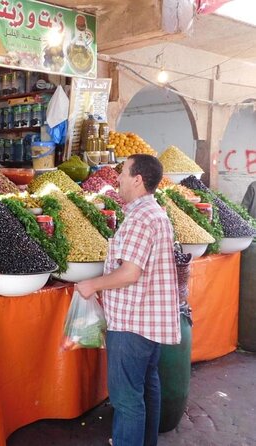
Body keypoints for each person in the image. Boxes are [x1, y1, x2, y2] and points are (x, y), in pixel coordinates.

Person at [76, 154, 180, 446]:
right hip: (149, 322)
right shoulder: (155, 213)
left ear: (138, 179)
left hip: (131, 323)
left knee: (126, 400)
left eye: (122, 173)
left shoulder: (140, 218)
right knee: (148, 387)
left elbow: (130, 273)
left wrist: (92, 284)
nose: (117, 178)